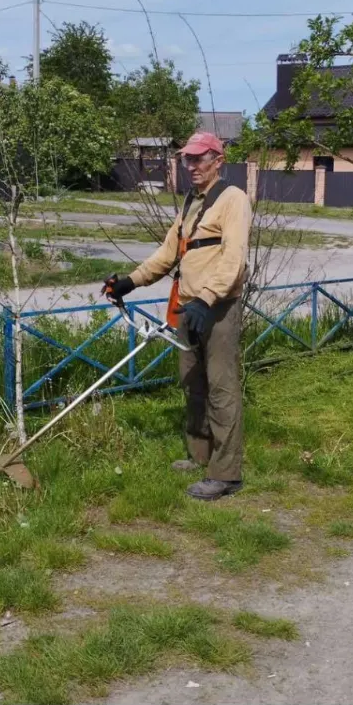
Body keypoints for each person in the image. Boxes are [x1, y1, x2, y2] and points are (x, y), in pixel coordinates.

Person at [102, 131, 253, 501]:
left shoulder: (233, 200)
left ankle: (226, 473)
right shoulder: (191, 202)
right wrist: (130, 282)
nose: (192, 166)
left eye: (200, 158)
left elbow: (234, 259)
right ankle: (199, 455)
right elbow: (169, 253)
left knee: (221, 386)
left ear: (218, 160)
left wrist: (207, 298)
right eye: (188, 159)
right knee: (192, 383)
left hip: (216, 308)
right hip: (189, 308)